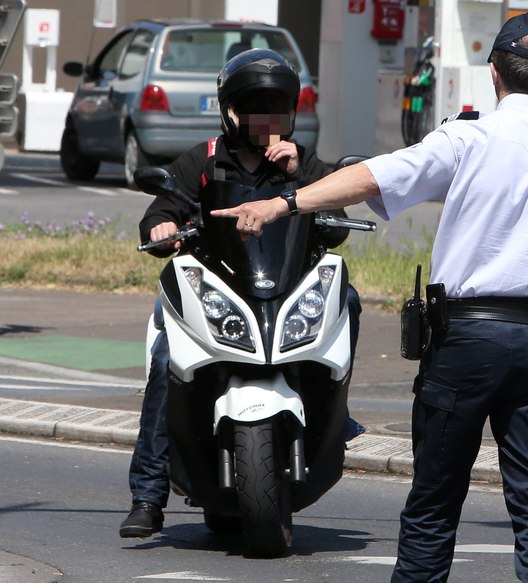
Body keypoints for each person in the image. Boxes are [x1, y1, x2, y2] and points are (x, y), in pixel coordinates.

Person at [211, 13, 528, 583]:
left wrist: (284, 203)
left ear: (492, 74)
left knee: (436, 494)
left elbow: (369, 178)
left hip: (463, 340)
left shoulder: (465, 139)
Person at [119, 48, 364, 539]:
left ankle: (335, 413)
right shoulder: (206, 161)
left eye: (275, 110)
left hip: (284, 291)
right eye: (255, 110)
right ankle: (148, 495)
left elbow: (337, 210)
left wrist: (303, 173)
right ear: (232, 112)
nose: (266, 122)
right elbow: (161, 208)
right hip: (219, 290)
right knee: (167, 358)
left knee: (349, 299)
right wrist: (165, 223)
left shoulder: (299, 161)